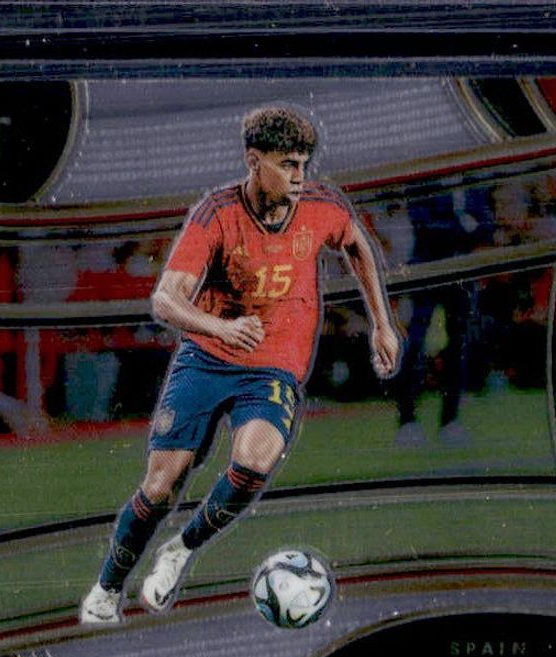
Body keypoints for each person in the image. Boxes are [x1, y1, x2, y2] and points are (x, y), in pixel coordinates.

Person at [79, 106, 400, 624]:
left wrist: (382, 323)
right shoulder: (217, 214)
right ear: (254, 162)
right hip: (206, 357)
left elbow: (357, 245)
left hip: (274, 363)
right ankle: (107, 588)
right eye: (287, 164)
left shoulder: (322, 206)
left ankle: (181, 549)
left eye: (304, 164)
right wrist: (220, 328)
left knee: (255, 461)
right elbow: (165, 300)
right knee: (161, 487)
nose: (299, 175)